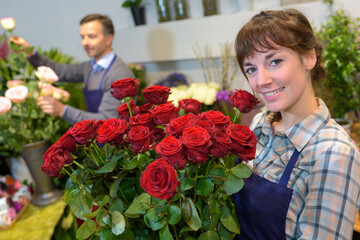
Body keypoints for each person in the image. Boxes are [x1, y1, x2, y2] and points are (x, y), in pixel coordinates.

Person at [232, 9, 360, 239]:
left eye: (275, 61)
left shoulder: (334, 153)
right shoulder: (261, 124)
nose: (261, 81)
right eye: (251, 69)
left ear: (309, 57)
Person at [11, 14, 134, 125]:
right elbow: (58, 71)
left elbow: (108, 121)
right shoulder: (89, 67)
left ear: (109, 39)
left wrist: (62, 110)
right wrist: (29, 52)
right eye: (82, 37)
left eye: (91, 36)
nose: (84, 42)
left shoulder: (120, 76)